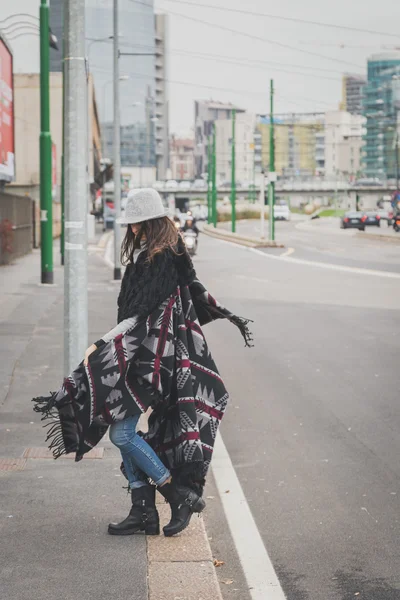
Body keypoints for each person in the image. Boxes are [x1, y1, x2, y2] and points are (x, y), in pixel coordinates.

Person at [33, 188, 252, 538]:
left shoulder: (160, 259)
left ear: (151, 221)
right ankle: (143, 512)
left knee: (121, 432)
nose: (132, 230)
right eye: (130, 225)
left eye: (137, 224)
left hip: (153, 362)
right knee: (124, 430)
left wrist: (102, 343)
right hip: (143, 357)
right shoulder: (149, 255)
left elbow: (139, 315)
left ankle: (174, 494)